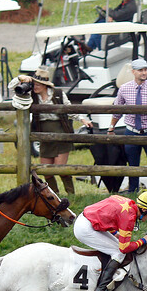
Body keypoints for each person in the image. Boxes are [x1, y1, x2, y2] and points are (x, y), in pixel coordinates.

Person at [9, 67, 93, 195]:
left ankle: (71, 194)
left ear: (44, 85)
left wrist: (82, 119)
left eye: (37, 84)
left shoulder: (58, 94)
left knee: (60, 169)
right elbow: (12, 87)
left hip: (60, 132)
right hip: (44, 134)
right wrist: (22, 78)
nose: (35, 87)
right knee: (46, 171)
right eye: (34, 84)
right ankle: (55, 195)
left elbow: (69, 108)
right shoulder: (32, 95)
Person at [73, 191, 147, 291]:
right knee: (118, 252)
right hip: (85, 228)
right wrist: (144, 240)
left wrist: (114, 232)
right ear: (145, 210)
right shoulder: (129, 217)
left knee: (116, 244)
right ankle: (101, 288)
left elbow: (107, 215)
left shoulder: (128, 203)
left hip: (87, 219)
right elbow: (124, 248)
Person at [108, 58, 147, 195]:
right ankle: (133, 190)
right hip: (131, 131)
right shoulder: (124, 89)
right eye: (140, 70)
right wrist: (111, 127)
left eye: (145, 70)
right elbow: (118, 110)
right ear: (133, 71)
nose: (144, 73)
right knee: (133, 164)